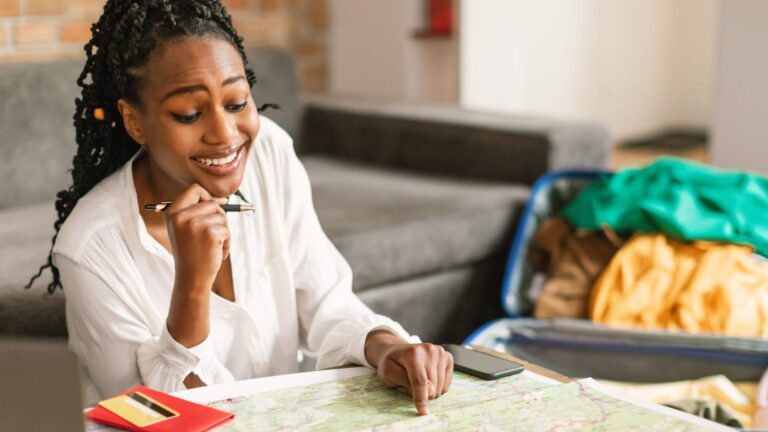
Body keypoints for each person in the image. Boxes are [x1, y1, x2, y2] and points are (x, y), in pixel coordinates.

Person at [27, 0, 452, 415]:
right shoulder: (92, 247)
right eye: (189, 114)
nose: (225, 134)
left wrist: (385, 345)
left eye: (236, 103)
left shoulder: (270, 153)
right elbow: (154, 417)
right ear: (135, 121)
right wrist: (192, 285)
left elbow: (324, 299)